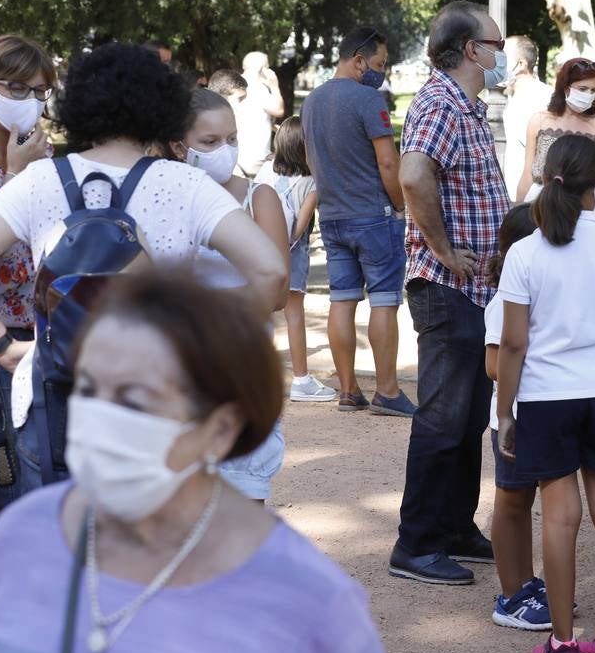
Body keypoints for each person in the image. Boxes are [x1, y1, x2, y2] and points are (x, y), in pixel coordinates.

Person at [0, 273, 396, 653]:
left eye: (133, 400)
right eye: (87, 388)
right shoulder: (22, 535)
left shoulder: (307, 602)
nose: (99, 415)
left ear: (220, 429)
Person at [0, 43, 286, 488]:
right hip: (162, 396)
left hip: (52, 393)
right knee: (154, 544)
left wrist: (2, 347)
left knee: (61, 542)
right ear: (162, 109)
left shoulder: (41, 178)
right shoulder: (188, 184)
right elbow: (271, 272)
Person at [493, 136, 595, 653]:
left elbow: (513, 343)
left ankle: (562, 646)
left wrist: (505, 409)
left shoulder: (525, 252)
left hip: (544, 395)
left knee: (561, 517)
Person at [392, 0, 511, 586]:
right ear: (471, 50)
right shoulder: (441, 102)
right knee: (442, 417)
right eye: (495, 42)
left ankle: (455, 527)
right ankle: (414, 543)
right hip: (447, 287)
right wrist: (442, 250)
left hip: (473, 290)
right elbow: (413, 174)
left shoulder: (463, 105)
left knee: (467, 417)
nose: (500, 52)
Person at [168, 88, 290, 501]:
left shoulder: (260, 197)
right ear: (177, 146)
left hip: (242, 365)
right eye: (210, 142)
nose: (225, 150)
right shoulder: (165, 199)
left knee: (244, 500)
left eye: (232, 139)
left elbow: (276, 292)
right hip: (181, 373)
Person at [301, 26, 415, 416]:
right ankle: (387, 391)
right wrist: (400, 205)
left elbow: (311, 158)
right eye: (380, 63)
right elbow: (388, 161)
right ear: (360, 60)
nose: (381, 71)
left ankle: (347, 389)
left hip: (331, 216)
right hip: (373, 216)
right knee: (384, 301)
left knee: (342, 299)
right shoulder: (369, 99)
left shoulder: (312, 102)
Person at [0, 35, 53, 557]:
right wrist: (18, 176)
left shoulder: (39, 157)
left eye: (42, 91)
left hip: (30, 338)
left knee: (23, 490)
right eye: (19, 88)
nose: (32, 101)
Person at [483, 203, 554, 630]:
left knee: (527, 501)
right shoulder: (504, 303)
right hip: (512, 418)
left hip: (541, 412)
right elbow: (494, 364)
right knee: (511, 503)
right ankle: (511, 594)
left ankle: (527, 583)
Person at [255, 116, 336, 402]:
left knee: (260, 314)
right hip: (291, 254)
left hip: (258, 250)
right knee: (293, 316)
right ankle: (301, 379)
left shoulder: (265, 170)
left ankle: (258, 374)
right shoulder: (311, 181)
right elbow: (298, 229)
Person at [517, 57, 595, 201]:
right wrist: (518, 210)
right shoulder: (539, 120)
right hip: (539, 202)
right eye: (582, 89)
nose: (588, 95)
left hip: (580, 205)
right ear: (566, 88)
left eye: (593, 90)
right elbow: (527, 174)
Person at [501, 35, 550, 199]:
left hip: (534, 199)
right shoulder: (514, 97)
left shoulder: (541, 97)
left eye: (502, 56)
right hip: (516, 195)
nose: (496, 61)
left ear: (521, 64)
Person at [235, 50, 286, 176]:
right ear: (262, 69)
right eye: (268, 67)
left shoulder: (234, 84)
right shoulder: (257, 87)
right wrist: (275, 86)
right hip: (255, 155)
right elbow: (279, 110)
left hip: (236, 154)